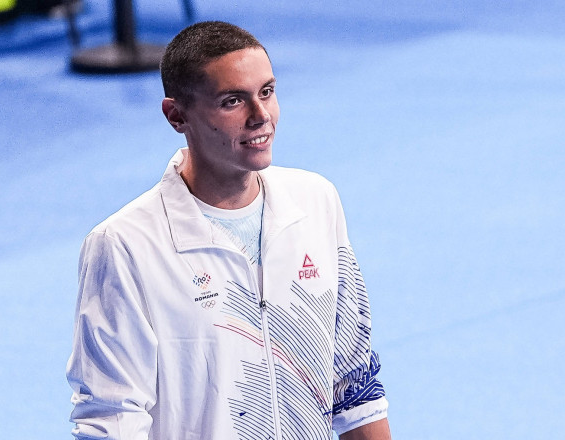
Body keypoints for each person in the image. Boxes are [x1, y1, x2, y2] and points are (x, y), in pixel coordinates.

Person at [66, 21, 391, 440]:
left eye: (267, 92)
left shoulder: (317, 201)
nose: (261, 117)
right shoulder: (124, 246)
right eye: (233, 101)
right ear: (176, 115)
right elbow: (112, 421)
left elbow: (353, 382)